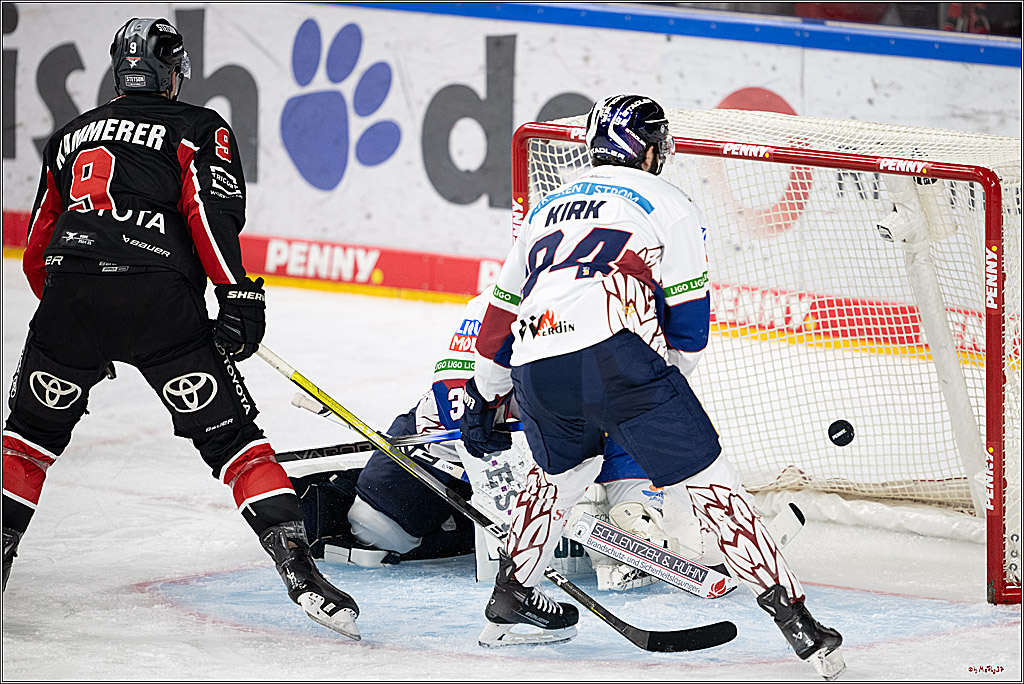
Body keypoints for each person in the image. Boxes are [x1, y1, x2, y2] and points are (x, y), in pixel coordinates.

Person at [461, 94, 845, 678]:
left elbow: (500, 311)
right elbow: (689, 327)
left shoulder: (547, 206)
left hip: (534, 364)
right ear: (648, 147)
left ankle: (509, 596)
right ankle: (799, 623)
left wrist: (486, 394)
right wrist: (660, 397)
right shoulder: (668, 201)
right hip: (616, 357)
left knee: (562, 475)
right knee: (712, 485)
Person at [1, 17, 359, 640]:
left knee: (28, 438)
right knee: (234, 442)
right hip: (158, 305)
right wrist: (238, 296)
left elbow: (36, 245)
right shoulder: (199, 127)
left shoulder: (68, 136)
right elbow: (208, 216)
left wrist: (75, 314)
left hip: (69, 299)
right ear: (173, 70)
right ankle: (300, 572)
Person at [295, 290, 726, 593]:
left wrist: (629, 509)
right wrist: (521, 504)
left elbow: (631, 409)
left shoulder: (613, 306)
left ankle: (636, 515)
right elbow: (455, 392)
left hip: (544, 439)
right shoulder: (497, 304)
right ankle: (337, 493)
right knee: (377, 532)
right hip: (444, 452)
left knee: (624, 410)